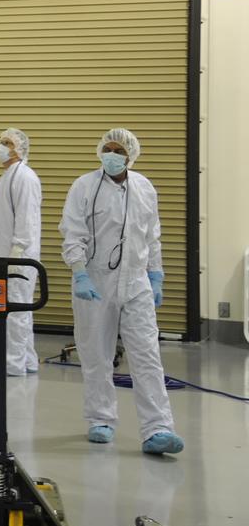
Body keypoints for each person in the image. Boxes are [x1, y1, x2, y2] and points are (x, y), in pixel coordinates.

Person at [59, 128, 184, 455]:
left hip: (137, 281)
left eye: (119, 150)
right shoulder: (84, 186)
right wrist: (80, 273)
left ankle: (158, 428)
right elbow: (72, 232)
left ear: (131, 155)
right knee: (96, 353)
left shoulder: (144, 188)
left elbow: (152, 235)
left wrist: (156, 275)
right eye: (108, 148)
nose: (112, 155)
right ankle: (101, 419)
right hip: (95, 281)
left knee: (146, 354)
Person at [0, 128, 42, 377]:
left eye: (6, 142)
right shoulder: (10, 175)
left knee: (14, 312)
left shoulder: (24, 177)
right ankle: (27, 360)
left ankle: (12, 364)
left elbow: (27, 219)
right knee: (19, 310)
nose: (1, 146)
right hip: (4, 256)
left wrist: (17, 252)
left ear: (19, 148)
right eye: (0, 142)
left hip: (15, 260)